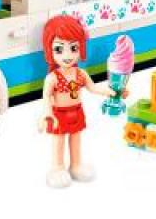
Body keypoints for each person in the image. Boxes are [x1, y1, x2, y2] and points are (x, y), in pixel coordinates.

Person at [39, 15, 121, 188]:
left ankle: (76, 165)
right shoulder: (52, 78)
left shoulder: (81, 74)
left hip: (77, 111)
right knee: (59, 140)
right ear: (49, 50)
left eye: (73, 48)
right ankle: (57, 167)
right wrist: (46, 113)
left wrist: (111, 92)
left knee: (76, 138)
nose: (67, 55)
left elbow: (93, 88)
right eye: (59, 49)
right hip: (58, 114)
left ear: (80, 48)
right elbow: (46, 96)